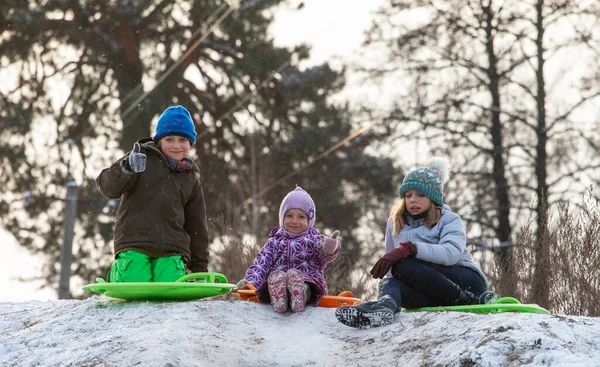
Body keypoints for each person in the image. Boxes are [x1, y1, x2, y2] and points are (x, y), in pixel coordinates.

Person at [336, 157, 496, 328]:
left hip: (465, 282)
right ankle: (386, 306)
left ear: (433, 198)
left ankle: (467, 301)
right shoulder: (395, 223)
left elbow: (452, 254)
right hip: (432, 291)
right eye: (408, 195)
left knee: (403, 265)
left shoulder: (449, 219)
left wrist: (411, 249)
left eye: (420, 195)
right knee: (391, 280)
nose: (413, 199)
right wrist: (390, 284)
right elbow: (391, 267)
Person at [96, 105, 209, 282]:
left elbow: (197, 227)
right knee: (135, 280)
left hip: (172, 248)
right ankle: (118, 274)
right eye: (169, 139)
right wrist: (126, 168)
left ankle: (171, 274)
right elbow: (107, 187)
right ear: (159, 141)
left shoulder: (190, 179)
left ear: (190, 143)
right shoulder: (140, 159)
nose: (176, 145)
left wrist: (199, 268)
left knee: (171, 284)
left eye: (182, 140)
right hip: (135, 242)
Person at [235, 187, 341, 313]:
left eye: (301, 217)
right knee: (271, 282)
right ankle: (279, 297)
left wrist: (329, 247)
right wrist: (250, 282)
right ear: (282, 218)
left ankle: (300, 293)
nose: (294, 221)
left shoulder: (313, 240)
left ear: (309, 220)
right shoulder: (274, 242)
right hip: (277, 282)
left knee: (305, 283)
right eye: (289, 216)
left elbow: (323, 256)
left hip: (309, 284)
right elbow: (261, 265)